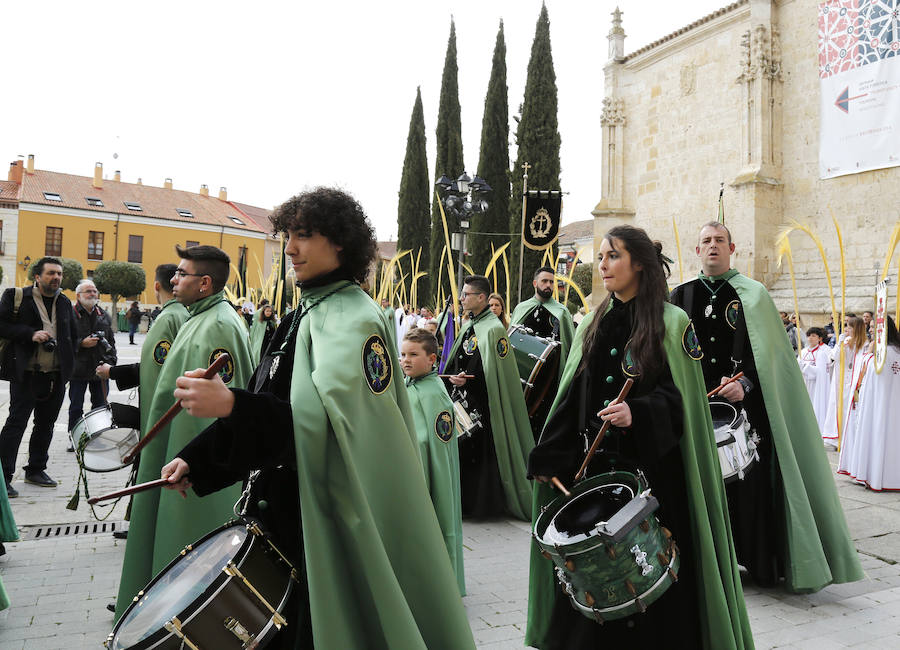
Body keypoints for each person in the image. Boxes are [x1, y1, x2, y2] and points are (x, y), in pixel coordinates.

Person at [156, 187, 475, 649]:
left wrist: (231, 405)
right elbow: (276, 404)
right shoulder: (305, 311)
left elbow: (332, 432)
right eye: (288, 235)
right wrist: (198, 459)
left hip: (324, 525)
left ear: (340, 244)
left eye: (303, 235)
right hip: (286, 516)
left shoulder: (354, 320)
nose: (289, 248)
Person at [527, 225, 752, 649]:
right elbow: (575, 394)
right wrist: (549, 455)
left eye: (613, 256)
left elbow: (682, 400)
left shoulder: (672, 322)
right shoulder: (595, 321)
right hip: (598, 479)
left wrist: (639, 412)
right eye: (603, 256)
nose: (604, 265)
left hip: (653, 481)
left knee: (654, 599)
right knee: (595, 591)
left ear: (639, 265)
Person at [669, 221, 862, 592]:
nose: (713, 246)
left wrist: (745, 384)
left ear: (732, 247)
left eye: (719, 241)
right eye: (706, 241)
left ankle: (758, 563)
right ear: (697, 251)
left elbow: (773, 359)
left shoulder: (754, 295)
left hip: (745, 411)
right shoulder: (679, 296)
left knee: (749, 489)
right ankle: (702, 563)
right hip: (693, 410)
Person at [114, 245, 254, 618]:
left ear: (204, 283)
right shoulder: (197, 317)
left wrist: (193, 462)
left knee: (186, 547)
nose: (173, 279)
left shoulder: (219, 325)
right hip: (173, 451)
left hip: (192, 471)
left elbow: (217, 414)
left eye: (182, 273)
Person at [442, 275, 534, 520]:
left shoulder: (493, 329)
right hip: (463, 399)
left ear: (480, 297)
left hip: (484, 404)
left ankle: (480, 507)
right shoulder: (472, 325)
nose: (461, 299)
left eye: (466, 295)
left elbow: (496, 375)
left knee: (479, 456)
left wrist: (471, 379)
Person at [0, 257, 78, 495]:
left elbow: (72, 336)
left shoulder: (64, 302)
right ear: (37, 276)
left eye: (59, 274)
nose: (56, 278)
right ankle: (3, 477)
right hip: (26, 375)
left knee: (46, 425)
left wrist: (68, 368)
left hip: (54, 376)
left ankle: (36, 469)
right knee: (16, 424)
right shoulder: (17, 297)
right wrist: (29, 334)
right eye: (51, 273)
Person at [400, 327, 465, 595]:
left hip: (425, 471)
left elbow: (434, 444)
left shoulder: (434, 393)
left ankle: (441, 589)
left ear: (432, 359)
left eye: (413, 355)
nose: (406, 360)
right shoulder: (409, 386)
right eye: (403, 354)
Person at [97, 264, 189, 439]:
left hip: (161, 407)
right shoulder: (184, 313)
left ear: (156, 285)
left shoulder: (167, 318)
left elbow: (154, 369)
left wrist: (112, 372)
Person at [510, 266, 576, 440]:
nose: (548, 285)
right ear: (535, 283)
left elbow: (570, 348)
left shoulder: (561, 312)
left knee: (544, 425)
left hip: (550, 380)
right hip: (522, 378)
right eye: (544, 281)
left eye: (551, 282)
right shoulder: (522, 308)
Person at [847, 316, 900, 490]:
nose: (869, 330)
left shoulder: (879, 354)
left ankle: (878, 477)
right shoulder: (896, 351)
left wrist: (870, 351)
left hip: (879, 408)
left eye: (872, 327)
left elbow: (868, 372)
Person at [66, 280, 117, 449]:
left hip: (99, 369)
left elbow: (111, 340)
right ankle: (76, 440)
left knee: (100, 407)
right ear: (78, 295)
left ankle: (96, 438)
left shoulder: (103, 314)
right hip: (78, 370)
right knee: (75, 407)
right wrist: (81, 343)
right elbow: (64, 341)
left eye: (95, 291)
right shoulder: (70, 314)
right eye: (89, 291)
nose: (93, 294)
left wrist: (111, 363)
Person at [823, 316, 868, 451]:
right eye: (847, 326)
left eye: (849, 326)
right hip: (841, 379)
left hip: (854, 379)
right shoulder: (845, 341)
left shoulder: (865, 343)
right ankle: (835, 438)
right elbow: (834, 357)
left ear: (857, 328)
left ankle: (848, 439)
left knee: (849, 409)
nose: (847, 329)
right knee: (836, 407)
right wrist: (839, 344)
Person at [799, 326, 832, 432]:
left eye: (813, 336)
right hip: (804, 384)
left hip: (815, 386)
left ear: (819, 338)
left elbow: (819, 372)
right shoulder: (803, 352)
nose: (810, 338)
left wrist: (805, 367)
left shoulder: (822, 353)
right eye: (809, 336)